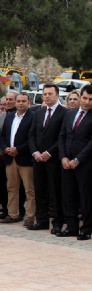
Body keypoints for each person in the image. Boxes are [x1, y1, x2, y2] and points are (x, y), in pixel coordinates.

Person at [27, 83, 66, 234]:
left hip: (54, 159)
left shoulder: (64, 113)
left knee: (55, 193)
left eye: (50, 93)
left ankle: (57, 222)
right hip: (37, 159)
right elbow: (31, 135)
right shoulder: (38, 113)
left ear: (57, 95)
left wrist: (49, 152)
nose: (47, 96)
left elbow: (62, 137)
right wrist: (35, 152)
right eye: (45, 94)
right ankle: (42, 220)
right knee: (40, 190)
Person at [58, 84, 92, 241]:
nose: (86, 102)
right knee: (68, 195)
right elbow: (62, 136)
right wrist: (63, 157)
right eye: (84, 98)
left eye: (90, 100)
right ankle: (71, 227)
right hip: (66, 163)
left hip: (85, 164)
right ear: (80, 97)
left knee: (85, 197)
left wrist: (78, 160)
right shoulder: (70, 114)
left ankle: (86, 228)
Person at [0, 93, 36, 227]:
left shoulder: (33, 117)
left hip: (25, 158)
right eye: (18, 101)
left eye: (23, 101)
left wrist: (18, 149)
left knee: (29, 190)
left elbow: (32, 138)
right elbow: (2, 136)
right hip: (10, 158)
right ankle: (13, 214)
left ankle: (30, 216)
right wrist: (5, 149)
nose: (20, 103)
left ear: (28, 102)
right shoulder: (9, 117)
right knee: (12, 187)